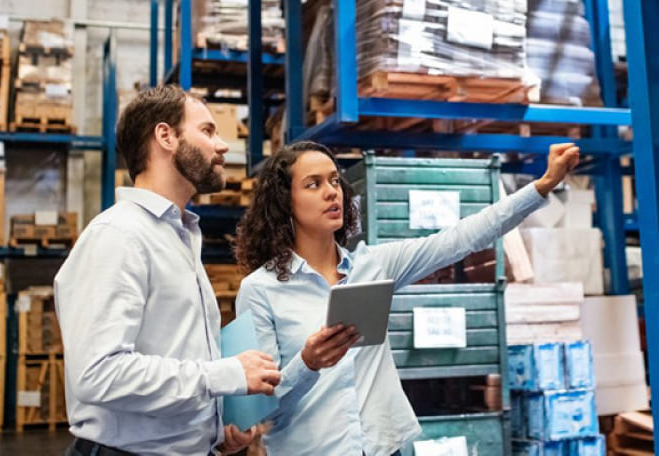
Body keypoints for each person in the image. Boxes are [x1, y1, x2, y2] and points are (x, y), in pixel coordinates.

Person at [234, 141, 580, 456]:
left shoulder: (374, 265)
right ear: (284, 202)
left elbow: (461, 238)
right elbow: (258, 408)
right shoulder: (260, 290)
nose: (331, 192)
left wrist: (543, 185)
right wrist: (307, 363)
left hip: (384, 448)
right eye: (314, 184)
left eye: (335, 181)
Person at [54, 85, 281, 456]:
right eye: (207, 131)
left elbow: (176, 354)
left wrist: (212, 429)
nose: (222, 146)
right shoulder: (119, 236)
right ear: (166, 136)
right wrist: (225, 374)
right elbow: (98, 375)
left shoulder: (180, 235)